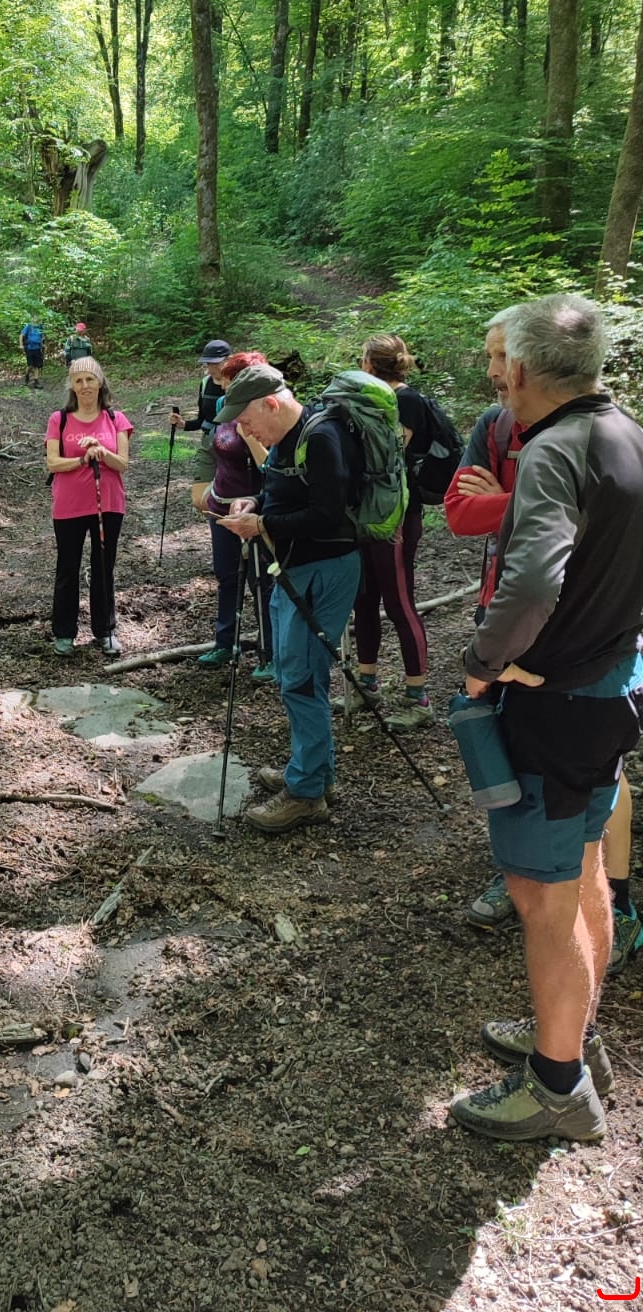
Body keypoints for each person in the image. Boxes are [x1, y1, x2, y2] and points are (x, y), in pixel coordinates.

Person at [448, 294, 643, 1144]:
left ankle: (557, 1087)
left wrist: (486, 660)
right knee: (585, 864)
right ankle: (574, 1035)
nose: (495, 376)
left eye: (500, 363)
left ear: (523, 369)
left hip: (557, 704)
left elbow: (531, 581)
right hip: (607, 691)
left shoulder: (555, 451)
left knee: (540, 893)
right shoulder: (627, 434)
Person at [217, 364, 363, 833]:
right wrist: (255, 504)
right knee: (292, 671)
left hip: (323, 571)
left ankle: (305, 793)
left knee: (301, 677)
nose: (245, 431)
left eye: (246, 420)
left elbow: (327, 515)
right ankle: (314, 770)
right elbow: (283, 492)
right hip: (295, 569)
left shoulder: (320, 438)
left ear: (271, 404)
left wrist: (261, 525)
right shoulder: (288, 438)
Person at [348, 335, 433, 730]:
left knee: (399, 601)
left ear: (370, 363)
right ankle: (367, 682)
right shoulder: (372, 398)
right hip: (367, 511)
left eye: (362, 357)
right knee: (364, 598)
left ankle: (419, 697)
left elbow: (388, 454)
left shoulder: (406, 400)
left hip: (396, 514)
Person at [189, 351, 274, 679]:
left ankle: (269, 652)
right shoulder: (225, 408)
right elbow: (214, 450)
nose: (223, 387)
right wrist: (207, 490)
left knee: (261, 580)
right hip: (220, 508)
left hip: (251, 511)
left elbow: (270, 466)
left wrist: (248, 438)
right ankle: (225, 642)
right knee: (227, 577)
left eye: (229, 381)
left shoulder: (260, 415)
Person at [45, 357, 132, 659]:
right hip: (69, 505)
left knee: (103, 566)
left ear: (100, 382)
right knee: (67, 567)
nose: (85, 386)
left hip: (108, 503)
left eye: (90, 379)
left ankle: (105, 630)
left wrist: (101, 451)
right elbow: (52, 463)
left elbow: (122, 463)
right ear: (71, 385)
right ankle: (64, 633)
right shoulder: (59, 419)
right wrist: (82, 459)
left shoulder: (115, 419)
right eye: (78, 380)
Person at [169, 340, 229, 438]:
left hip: (237, 443)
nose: (212, 367)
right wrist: (183, 424)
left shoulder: (239, 383)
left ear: (229, 361)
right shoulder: (205, 383)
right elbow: (202, 420)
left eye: (216, 363)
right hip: (210, 441)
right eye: (209, 363)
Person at [20, 319, 46, 388]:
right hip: (29, 348)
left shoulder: (40, 327)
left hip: (37, 348)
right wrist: (21, 345)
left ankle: (36, 382)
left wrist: (42, 344)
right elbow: (21, 335)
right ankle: (26, 377)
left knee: (36, 365)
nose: (36, 320)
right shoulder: (28, 326)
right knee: (30, 365)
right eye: (34, 318)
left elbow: (42, 337)